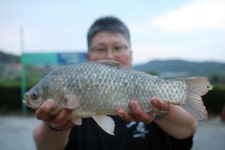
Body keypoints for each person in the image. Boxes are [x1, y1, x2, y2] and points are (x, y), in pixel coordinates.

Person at [33, 16, 197, 150]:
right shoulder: (72, 107)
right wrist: (56, 126)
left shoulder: (152, 90)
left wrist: (159, 111)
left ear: (131, 55)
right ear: (89, 58)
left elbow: (188, 129)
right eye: (100, 49)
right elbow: (44, 146)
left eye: (118, 48)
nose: (110, 55)